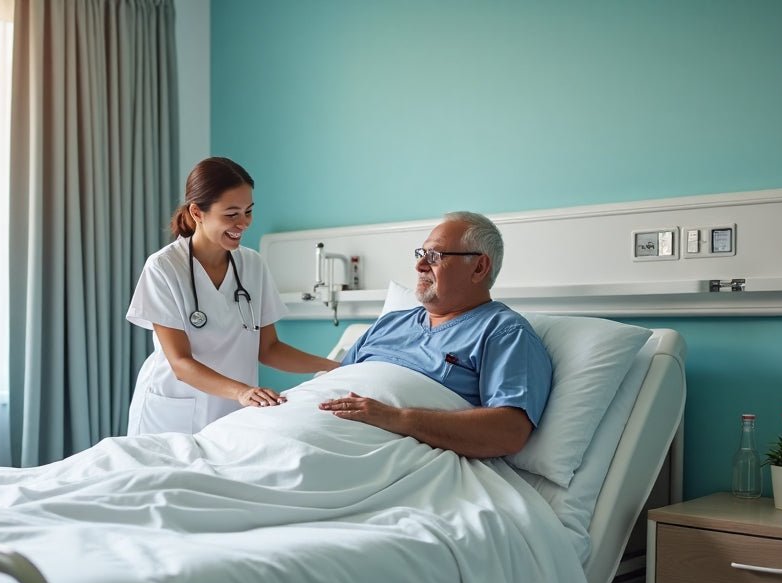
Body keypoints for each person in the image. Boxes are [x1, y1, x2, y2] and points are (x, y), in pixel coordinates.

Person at [126, 156, 339, 435]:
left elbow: (269, 349)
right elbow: (180, 363)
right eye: (231, 214)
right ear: (197, 213)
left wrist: (334, 366)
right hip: (170, 416)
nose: (243, 223)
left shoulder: (252, 265)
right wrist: (242, 392)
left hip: (232, 412)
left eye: (248, 211)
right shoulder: (164, 267)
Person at [318, 212, 552, 460]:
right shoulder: (390, 323)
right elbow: (339, 384)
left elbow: (508, 432)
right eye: (421, 254)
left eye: (435, 256)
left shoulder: (503, 332)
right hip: (312, 427)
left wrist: (396, 417)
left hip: (378, 453)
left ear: (479, 267)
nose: (419, 266)